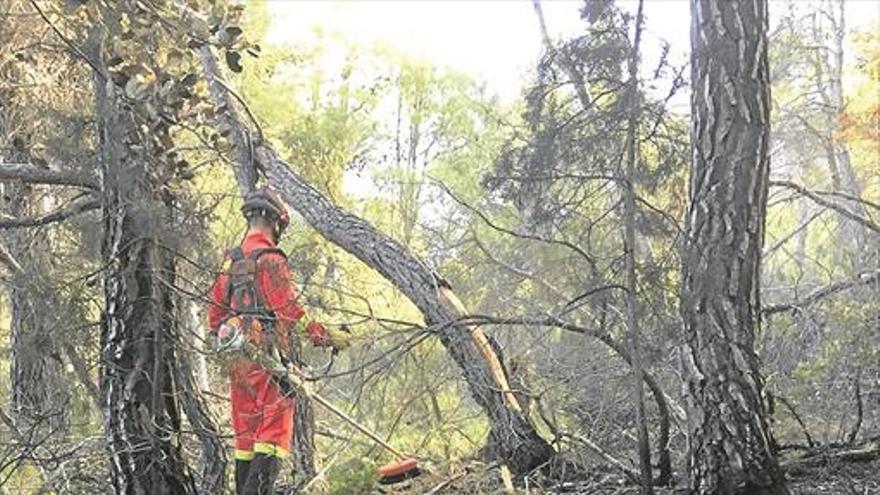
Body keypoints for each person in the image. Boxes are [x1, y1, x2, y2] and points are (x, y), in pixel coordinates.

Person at [208, 187, 351, 495]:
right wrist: (326, 336)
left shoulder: (228, 262)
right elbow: (290, 314)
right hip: (267, 360)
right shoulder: (271, 259)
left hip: (236, 361)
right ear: (277, 222)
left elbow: (213, 318)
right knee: (273, 436)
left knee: (246, 439)